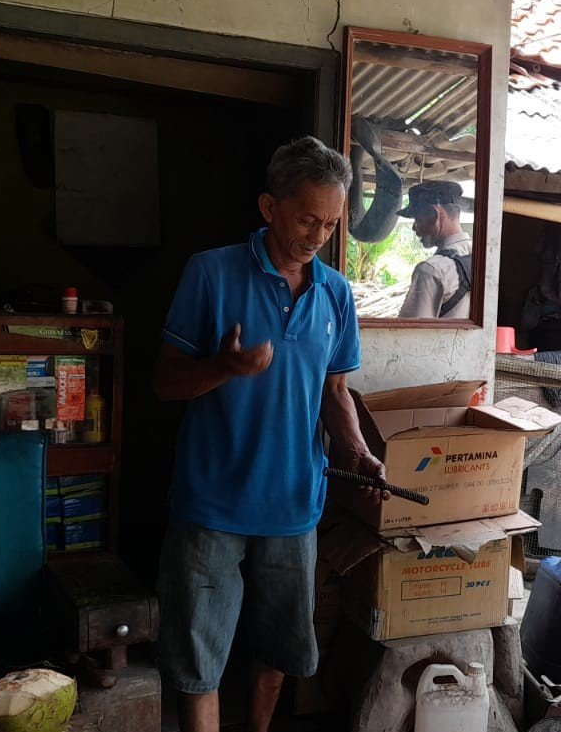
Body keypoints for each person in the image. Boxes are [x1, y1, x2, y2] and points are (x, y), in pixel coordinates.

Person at [152, 136, 385, 732]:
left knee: (280, 653)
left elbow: (335, 390)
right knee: (199, 664)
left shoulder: (335, 292)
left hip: (293, 506)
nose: (317, 235)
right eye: (307, 219)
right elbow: (164, 382)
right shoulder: (211, 272)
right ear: (269, 206)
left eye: (330, 224)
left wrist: (357, 451)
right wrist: (223, 367)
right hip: (212, 504)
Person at [397, 181, 473, 319]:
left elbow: (410, 331)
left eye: (417, 219)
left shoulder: (431, 271)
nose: (414, 227)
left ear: (434, 214)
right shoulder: (483, 259)